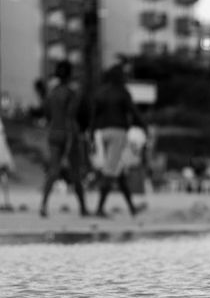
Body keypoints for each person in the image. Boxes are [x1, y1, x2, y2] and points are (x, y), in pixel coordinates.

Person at [91, 64, 144, 217]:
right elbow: (133, 111)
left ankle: (132, 208)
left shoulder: (102, 93)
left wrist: (91, 132)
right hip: (118, 132)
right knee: (110, 170)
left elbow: (95, 114)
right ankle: (100, 208)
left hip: (103, 132)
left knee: (118, 170)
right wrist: (143, 126)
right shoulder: (122, 93)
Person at [39, 62, 89, 217]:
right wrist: (71, 138)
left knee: (53, 171)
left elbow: (47, 114)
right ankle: (83, 208)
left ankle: (43, 206)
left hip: (53, 132)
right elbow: (71, 116)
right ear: (69, 75)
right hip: (69, 134)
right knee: (76, 173)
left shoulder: (51, 93)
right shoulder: (72, 93)